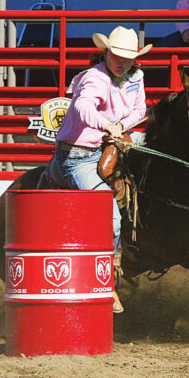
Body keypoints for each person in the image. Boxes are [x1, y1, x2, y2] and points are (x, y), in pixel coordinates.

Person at [47, 26, 152, 313]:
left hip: (111, 145)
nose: (121, 61)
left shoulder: (136, 77)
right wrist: (107, 125)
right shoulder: (94, 77)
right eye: (116, 55)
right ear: (106, 53)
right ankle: (107, 282)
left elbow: (139, 110)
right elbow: (82, 107)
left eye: (127, 57)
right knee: (111, 218)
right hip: (77, 157)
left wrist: (121, 126)